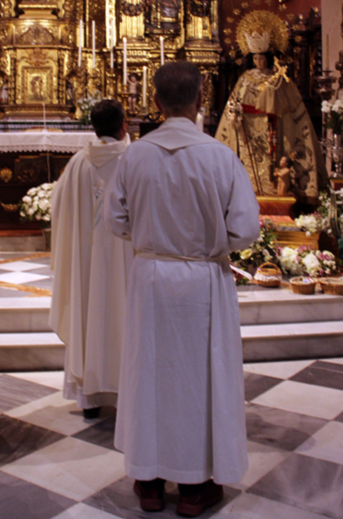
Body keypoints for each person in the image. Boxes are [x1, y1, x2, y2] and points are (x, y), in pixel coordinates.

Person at [106, 61, 259, 517]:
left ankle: (149, 481)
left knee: (149, 375)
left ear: (155, 102)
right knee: (199, 379)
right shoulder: (218, 155)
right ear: (200, 101)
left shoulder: (133, 155)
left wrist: (152, 236)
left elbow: (114, 220)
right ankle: (194, 489)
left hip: (152, 276)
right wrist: (211, 243)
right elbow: (247, 229)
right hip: (202, 278)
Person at [49, 99, 134, 418]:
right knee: (122, 317)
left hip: (85, 262)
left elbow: (58, 206)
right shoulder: (132, 160)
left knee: (87, 315)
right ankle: (127, 393)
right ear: (123, 125)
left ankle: (89, 400)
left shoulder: (78, 163)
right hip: (125, 259)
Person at [216, 10, 327, 199]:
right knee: (248, 164)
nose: (259, 62)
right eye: (256, 58)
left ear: (267, 57)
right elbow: (234, 103)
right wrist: (234, 114)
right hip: (248, 129)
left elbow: (291, 106)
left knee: (275, 165)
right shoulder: (244, 79)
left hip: (272, 128)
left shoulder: (278, 79)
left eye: (262, 58)